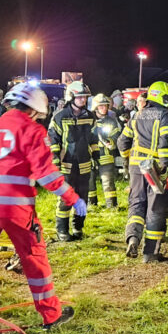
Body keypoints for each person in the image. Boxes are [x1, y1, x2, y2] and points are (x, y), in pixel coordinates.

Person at [0, 82, 80, 329]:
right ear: (34, 110)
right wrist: (72, 198)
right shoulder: (33, 130)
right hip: (14, 209)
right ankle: (51, 315)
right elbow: (46, 174)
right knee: (34, 257)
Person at [117, 82, 168, 263]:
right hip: (155, 169)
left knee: (136, 204)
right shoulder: (165, 115)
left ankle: (133, 239)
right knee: (155, 209)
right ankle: (150, 253)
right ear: (163, 97)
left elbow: (122, 143)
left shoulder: (136, 115)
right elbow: (166, 142)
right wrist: (166, 168)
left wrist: (129, 159)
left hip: (136, 168)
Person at [48, 81, 96, 241]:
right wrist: (55, 160)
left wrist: (97, 155)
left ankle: (78, 228)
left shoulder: (90, 117)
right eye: (80, 97)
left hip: (84, 165)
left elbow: (94, 139)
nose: (83, 100)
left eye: (85, 97)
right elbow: (53, 140)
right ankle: (62, 230)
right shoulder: (60, 117)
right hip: (66, 165)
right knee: (66, 198)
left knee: (83, 198)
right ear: (71, 97)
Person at [90, 94, 120, 208]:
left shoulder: (111, 121)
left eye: (105, 106)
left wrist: (109, 142)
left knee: (108, 181)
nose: (104, 108)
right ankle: (91, 204)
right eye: (101, 106)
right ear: (96, 107)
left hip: (106, 155)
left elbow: (117, 136)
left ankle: (111, 205)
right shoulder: (89, 120)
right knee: (90, 180)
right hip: (91, 156)